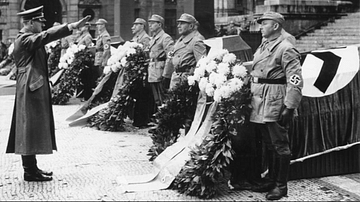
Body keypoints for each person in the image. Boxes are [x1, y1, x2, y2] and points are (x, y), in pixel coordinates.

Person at [5, 6, 90, 182]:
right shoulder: (25, 39)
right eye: (39, 21)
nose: (43, 24)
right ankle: (29, 171)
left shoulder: (26, 38)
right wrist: (70, 26)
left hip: (31, 85)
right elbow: (45, 37)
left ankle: (32, 168)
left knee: (31, 127)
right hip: (30, 86)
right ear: (29, 23)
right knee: (28, 127)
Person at [249, 11, 303, 200]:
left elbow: (295, 80)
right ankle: (271, 179)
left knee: (280, 145)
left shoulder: (286, 48)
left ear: (275, 26)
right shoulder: (265, 45)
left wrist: (289, 106)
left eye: (264, 23)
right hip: (260, 99)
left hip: (275, 100)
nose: (261, 26)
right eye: (261, 23)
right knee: (269, 144)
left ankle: (281, 186)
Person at [169, 13, 207, 90]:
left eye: (182, 23)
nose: (178, 26)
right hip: (176, 78)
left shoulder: (196, 41)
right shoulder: (180, 40)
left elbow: (202, 65)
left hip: (187, 81)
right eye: (178, 23)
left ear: (191, 26)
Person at [147, 14, 174, 107]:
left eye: (152, 23)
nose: (150, 25)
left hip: (161, 71)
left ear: (160, 25)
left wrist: (166, 74)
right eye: (149, 23)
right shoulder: (153, 38)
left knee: (163, 98)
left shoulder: (165, 37)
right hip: (153, 71)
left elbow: (170, 56)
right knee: (157, 99)